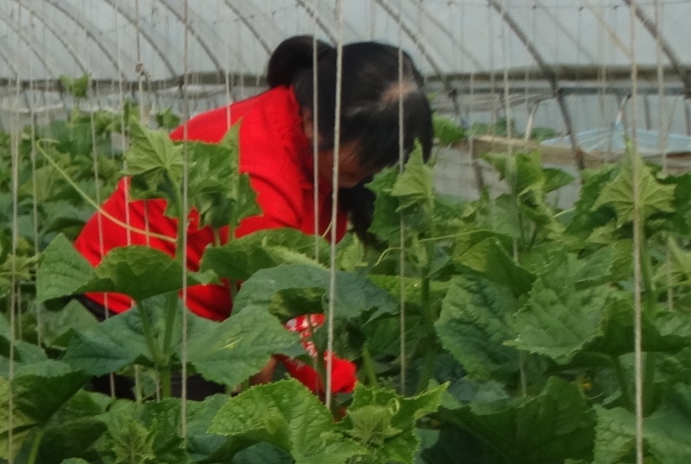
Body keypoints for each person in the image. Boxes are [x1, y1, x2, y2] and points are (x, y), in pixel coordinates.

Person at [72, 36, 435, 394]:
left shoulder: (305, 133)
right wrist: (349, 402)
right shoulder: (260, 176)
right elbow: (286, 309)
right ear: (312, 121)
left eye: (383, 160)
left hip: (195, 315)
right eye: (365, 159)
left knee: (259, 374)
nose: (374, 172)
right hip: (125, 315)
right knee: (212, 413)